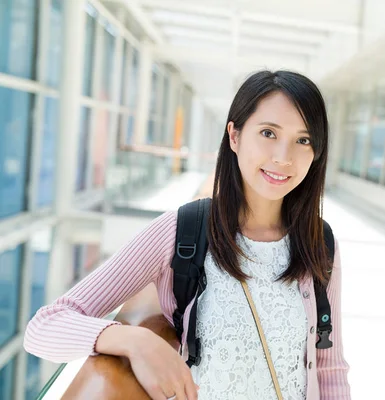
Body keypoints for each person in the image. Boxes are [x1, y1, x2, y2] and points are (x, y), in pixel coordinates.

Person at [24, 70, 351, 400]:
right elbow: (44, 327)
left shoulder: (319, 243)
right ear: (234, 136)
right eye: (268, 133)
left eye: (303, 140)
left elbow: (329, 367)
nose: (283, 157)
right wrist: (134, 340)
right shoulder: (182, 231)